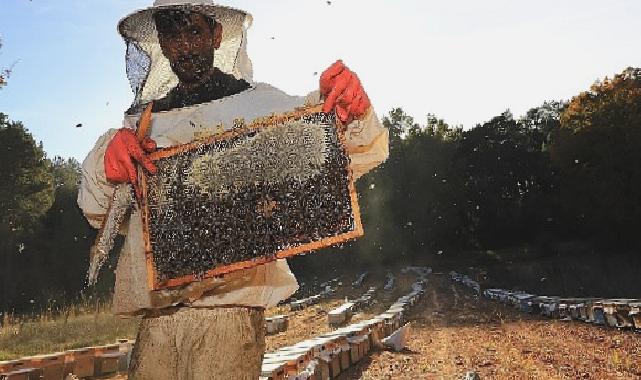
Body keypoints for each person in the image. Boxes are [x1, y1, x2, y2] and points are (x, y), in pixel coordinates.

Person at [78, 1, 389, 379]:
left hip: (230, 316)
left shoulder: (259, 105)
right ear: (160, 40)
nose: (185, 45)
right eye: (173, 34)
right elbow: (98, 211)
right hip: (156, 325)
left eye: (194, 31)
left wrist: (349, 107)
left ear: (216, 34)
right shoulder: (143, 123)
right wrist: (108, 163)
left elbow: (346, 150)